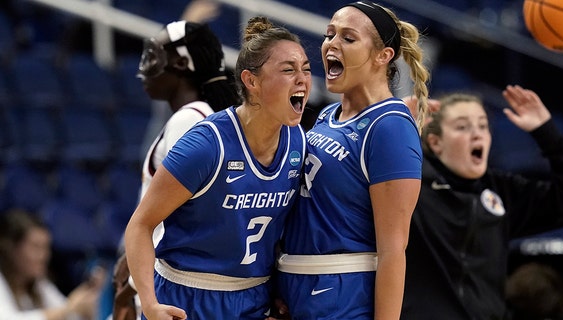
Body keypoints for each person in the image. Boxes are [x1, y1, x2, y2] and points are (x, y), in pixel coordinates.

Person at [124, 16, 311, 320]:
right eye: (289, 70)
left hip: (253, 299)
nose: (302, 78)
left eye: (306, 68)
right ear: (252, 81)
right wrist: (149, 302)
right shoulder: (207, 144)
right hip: (188, 297)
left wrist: (280, 293)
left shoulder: (298, 143)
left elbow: (280, 235)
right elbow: (140, 225)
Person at [275, 1, 430, 319]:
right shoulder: (327, 115)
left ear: (382, 56)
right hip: (295, 285)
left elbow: (392, 250)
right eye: (329, 34)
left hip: (342, 295)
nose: (331, 43)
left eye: (348, 38)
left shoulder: (390, 127)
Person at [401, 85, 563, 319]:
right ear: (435, 143)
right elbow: (352, 176)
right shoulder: (410, 183)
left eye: (483, 125)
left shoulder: (501, 191)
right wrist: (388, 130)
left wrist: (547, 133)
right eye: (462, 127)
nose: (477, 134)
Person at [110, 20, 241, 320]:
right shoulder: (208, 117)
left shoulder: (189, 122)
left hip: (170, 285)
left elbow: (182, 216)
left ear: (181, 63)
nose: (147, 66)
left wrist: (133, 284)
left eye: (156, 55)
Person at [0, 208, 106, 319]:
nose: (44, 256)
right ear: (11, 249)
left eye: (46, 248)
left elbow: (67, 312)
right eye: (35, 247)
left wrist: (85, 301)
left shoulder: (40, 284)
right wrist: (71, 308)